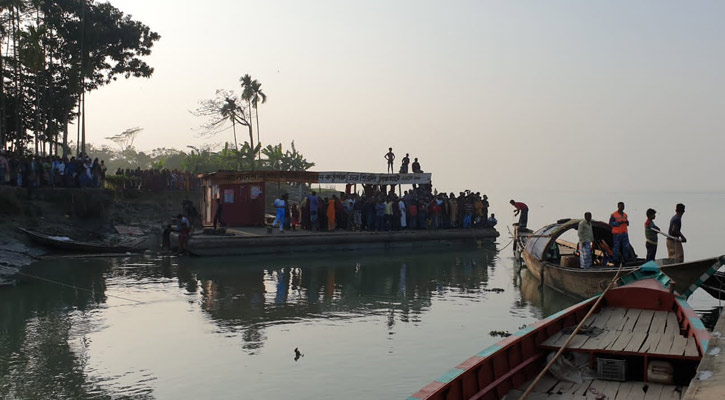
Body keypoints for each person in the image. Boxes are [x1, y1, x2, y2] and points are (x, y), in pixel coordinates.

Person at [609, 202, 632, 268]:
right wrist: (618, 223)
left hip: (624, 233)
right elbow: (610, 223)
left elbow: (627, 223)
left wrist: (627, 222)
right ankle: (616, 261)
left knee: (626, 247)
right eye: (621, 206)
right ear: (618, 206)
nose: (622, 207)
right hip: (617, 234)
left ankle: (626, 260)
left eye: (623, 206)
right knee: (616, 247)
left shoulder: (625, 215)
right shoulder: (614, 215)